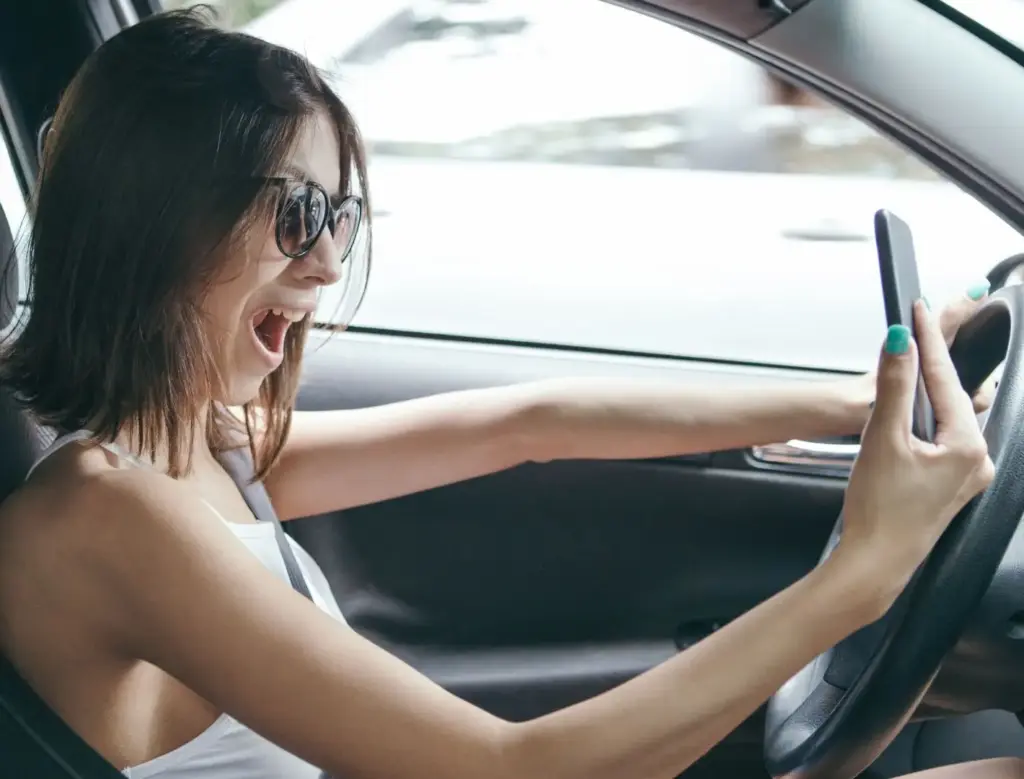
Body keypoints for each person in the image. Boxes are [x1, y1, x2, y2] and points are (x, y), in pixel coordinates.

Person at [0, 7, 1015, 779]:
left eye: (341, 216)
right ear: (156, 214)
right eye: (296, 212)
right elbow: (508, 768)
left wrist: (847, 399)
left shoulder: (200, 446)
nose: (323, 264)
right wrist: (859, 576)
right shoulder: (105, 514)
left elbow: (532, 420)